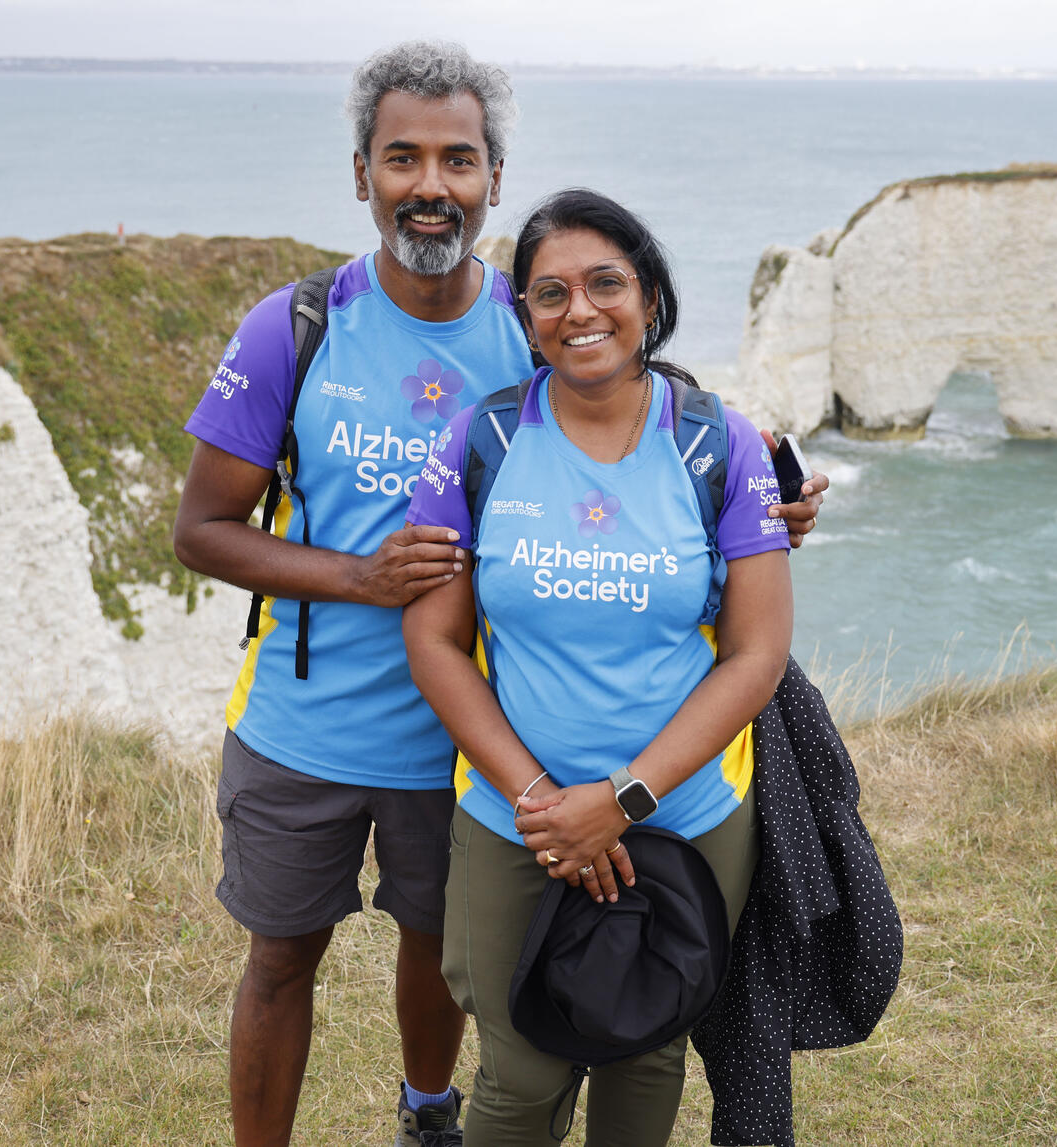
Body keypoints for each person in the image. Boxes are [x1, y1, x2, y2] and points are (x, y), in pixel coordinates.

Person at [172, 44, 827, 1147]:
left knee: (444, 952)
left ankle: (427, 1114)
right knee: (281, 956)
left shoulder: (533, 325)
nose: (431, 184)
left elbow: (648, 434)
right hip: (307, 723)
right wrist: (358, 577)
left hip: (473, 742)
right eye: (403, 158)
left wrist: (770, 507)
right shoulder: (294, 327)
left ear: (493, 177)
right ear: (361, 175)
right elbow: (200, 530)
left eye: (458, 159)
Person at [402, 187, 793, 1145]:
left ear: (650, 297)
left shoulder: (720, 444)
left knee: (646, 1048)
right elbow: (434, 642)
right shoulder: (480, 441)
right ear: (526, 321)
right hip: (514, 816)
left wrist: (618, 801)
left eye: (605, 283)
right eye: (549, 294)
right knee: (520, 1074)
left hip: (685, 815)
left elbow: (757, 654)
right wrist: (549, 800)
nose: (580, 310)